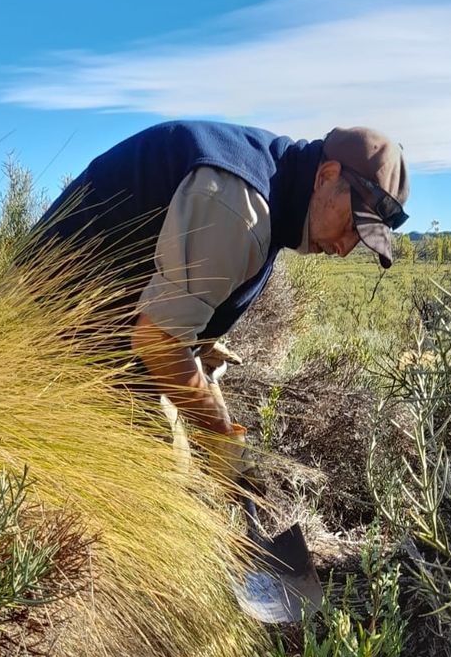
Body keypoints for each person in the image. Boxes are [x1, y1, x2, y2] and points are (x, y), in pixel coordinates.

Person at [26, 120, 409, 472]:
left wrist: (203, 343)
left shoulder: (277, 192)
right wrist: (222, 438)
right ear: (326, 176)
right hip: (42, 338)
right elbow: (158, 341)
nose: (345, 248)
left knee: (170, 462)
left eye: (360, 239)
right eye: (350, 225)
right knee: (160, 475)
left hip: (107, 333)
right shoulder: (242, 207)